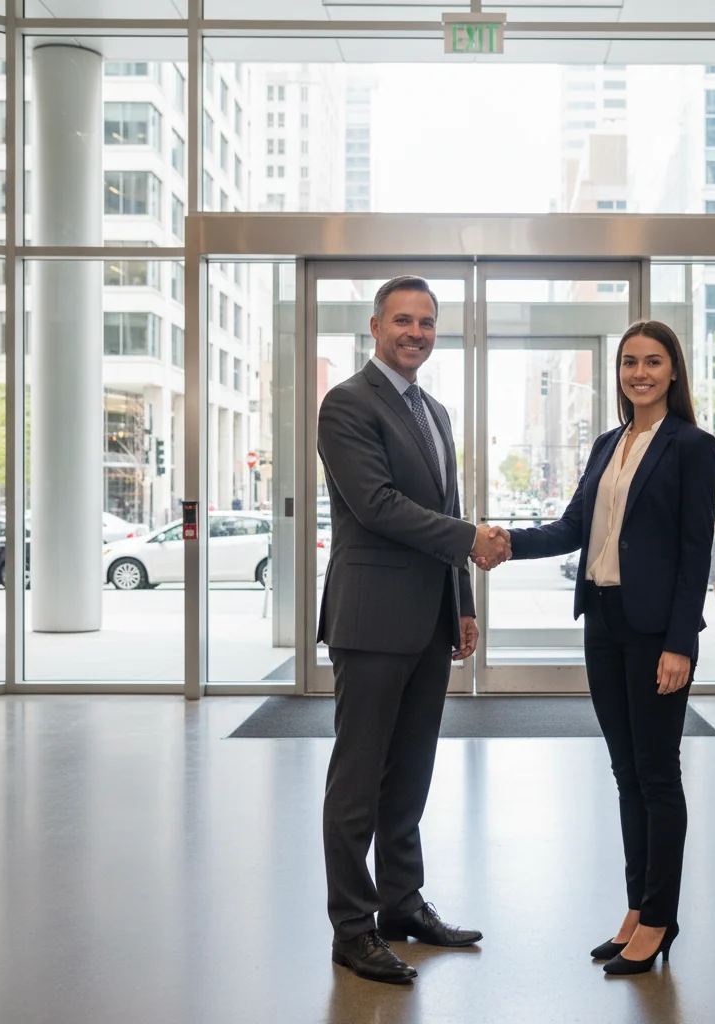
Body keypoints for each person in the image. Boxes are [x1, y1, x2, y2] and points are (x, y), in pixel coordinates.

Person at [480, 320, 715, 976]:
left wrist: (680, 643)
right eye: (629, 362)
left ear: (673, 371)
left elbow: (697, 551)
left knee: (657, 774)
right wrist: (506, 543)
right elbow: (573, 528)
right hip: (604, 624)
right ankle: (638, 909)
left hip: (654, 634)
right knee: (626, 773)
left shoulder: (692, 447)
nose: (639, 372)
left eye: (652, 361)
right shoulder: (609, 445)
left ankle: (661, 917)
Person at [317, 275, 510, 985]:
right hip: (370, 621)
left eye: (427, 322)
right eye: (403, 320)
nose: (416, 333)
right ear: (375, 327)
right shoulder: (346, 404)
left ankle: (401, 903)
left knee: (411, 779)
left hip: (428, 622)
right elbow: (376, 504)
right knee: (357, 784)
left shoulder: (435, 411)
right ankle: (352, 928)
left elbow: (446, 507)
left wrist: (461, 602)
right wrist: (470, 539)